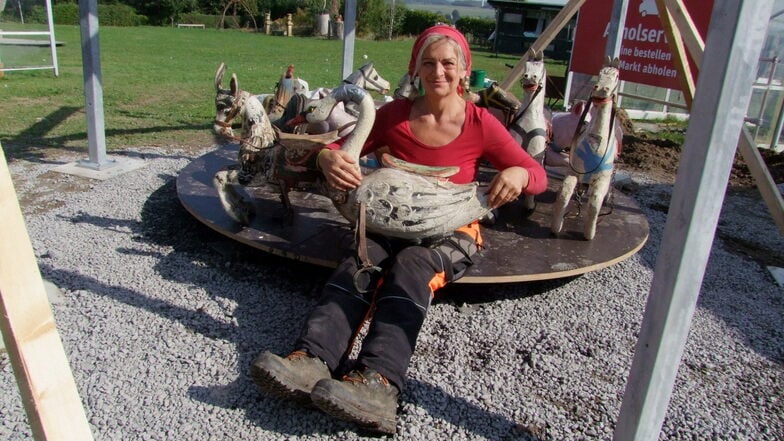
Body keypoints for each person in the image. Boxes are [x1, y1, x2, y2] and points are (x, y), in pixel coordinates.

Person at [250, 24, 547, 435]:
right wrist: (325, 161)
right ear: (416, 69)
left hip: (451, 231)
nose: (438, 72)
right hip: (388, 220)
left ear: (464, 71)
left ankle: (380, 383)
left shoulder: (481, 123)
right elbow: (334, 151)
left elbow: (537, 174)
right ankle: (311, 359)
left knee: (413, 267)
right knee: (359, 261)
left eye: (448, 64)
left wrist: (516, 172)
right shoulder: (392, 116)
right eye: (429, 63)